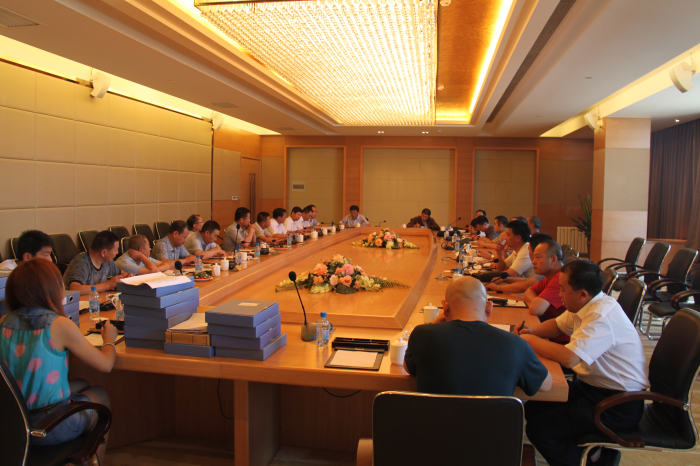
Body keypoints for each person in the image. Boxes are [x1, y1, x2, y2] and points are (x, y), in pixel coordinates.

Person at [518, 260, 649, 466]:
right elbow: (557, 326)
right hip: (594, 389)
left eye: (563, 289)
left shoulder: (601, 315)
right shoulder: (585, 304)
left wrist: (528, 341)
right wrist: (532, 332)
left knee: (540, 429)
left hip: (617, 403)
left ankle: (590, 462)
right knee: (536, 406)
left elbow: (569, 358)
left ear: (582, 294)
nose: (559, 294)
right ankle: (594, 454)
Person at [0, 259, 116, 462]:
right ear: (52, 289)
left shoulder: (3, 322)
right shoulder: (58, 325)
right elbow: (106, 365)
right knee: (100, 394)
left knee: (82, 383)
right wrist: (109, 340)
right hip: (48, 427)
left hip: (12, 425)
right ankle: (91, 459)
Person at [404, 276, 552, 396]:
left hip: (434, 425)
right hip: (493, 426)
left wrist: (439, 319)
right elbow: (546, 385)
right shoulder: (515, 344)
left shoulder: (422, 335)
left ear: (445, 307)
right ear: (489, 308)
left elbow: (408, 367)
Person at [524, 239, 569, 343]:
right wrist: (536, 301)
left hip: (560, 340)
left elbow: (535, 309)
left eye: (538, 257)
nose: (533, 261)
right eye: (533, 257)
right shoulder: (551, 276)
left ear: (553, 259)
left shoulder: (561, 278)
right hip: (548, 332)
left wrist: (536, 303)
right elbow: (529, 291)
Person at [63, 230, 126, 295]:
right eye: (115, 250)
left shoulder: (106, 261)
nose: (117, 253)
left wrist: (127, 276)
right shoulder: (82, 262)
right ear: (103, 252)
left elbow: (121, 273)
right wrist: (107, 285)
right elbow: (75, 289)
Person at [485, 233, 552, 293]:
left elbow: (526, 285)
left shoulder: (545, 268)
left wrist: (498, 288)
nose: (533, 261)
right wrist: (506, 279)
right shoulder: (545, 267)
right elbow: (528, 280)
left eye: (537, 256)